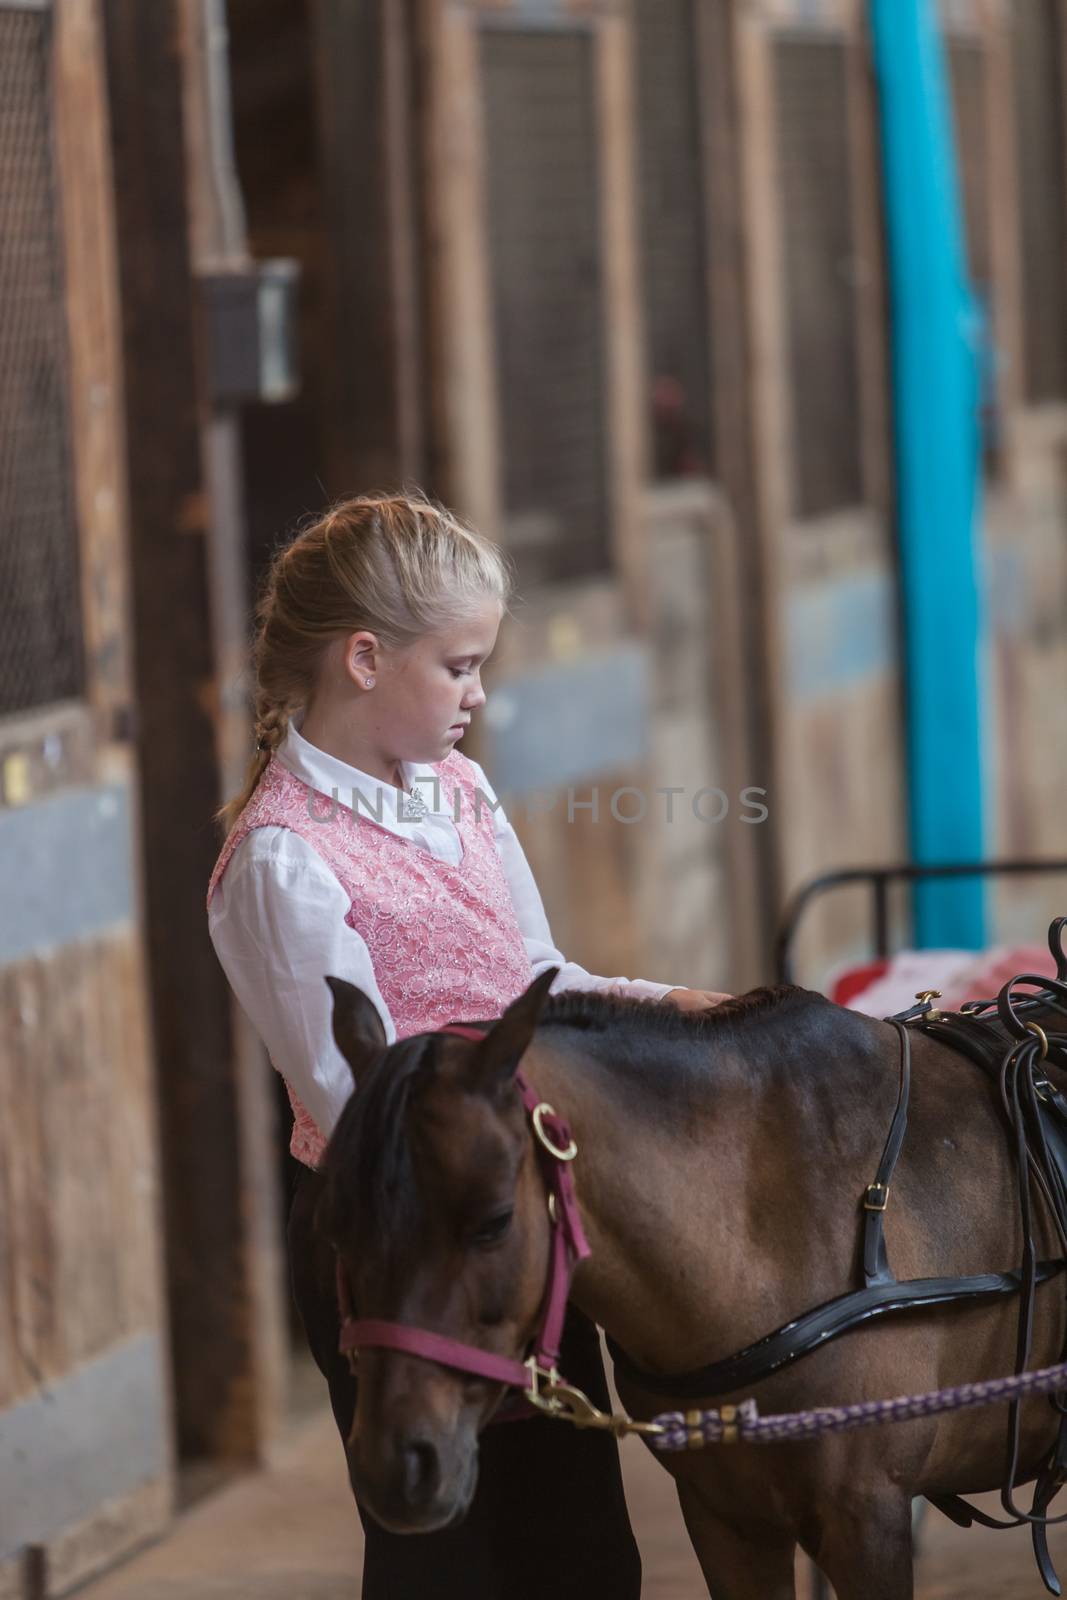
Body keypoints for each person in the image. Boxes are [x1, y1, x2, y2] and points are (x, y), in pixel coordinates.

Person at [206, 493, 728, 1599]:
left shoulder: (461, 791)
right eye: (458, 665)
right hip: (398, 1251)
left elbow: (535, 978)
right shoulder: (279, 861)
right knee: (440, 1558)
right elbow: (362, 1117)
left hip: (508, 1227)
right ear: (362, 658)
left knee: (580, 1550)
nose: (478, 694)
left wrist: (670, 1009)